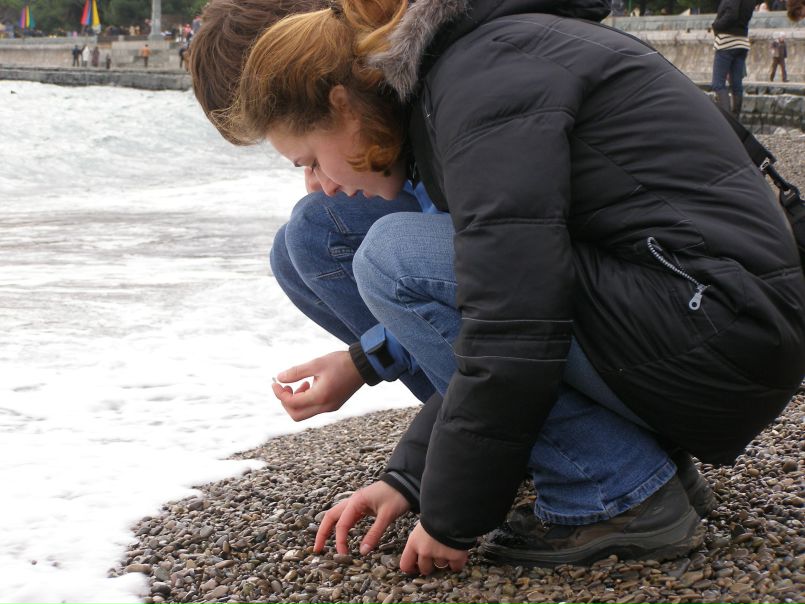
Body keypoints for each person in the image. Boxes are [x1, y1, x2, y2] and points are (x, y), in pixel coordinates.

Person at [218, 0, 804, 575]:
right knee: (384, 253)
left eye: (310, 161)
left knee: (391, 258)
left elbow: (513, 317)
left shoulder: (479, 83)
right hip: (719, 329)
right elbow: (504, 310)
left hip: (719, 338)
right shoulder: (481, 58)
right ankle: (630, 463)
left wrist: (451, 515)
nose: (316, 184)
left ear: (342, 104)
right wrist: (411, 475)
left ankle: (613, 490)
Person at [711, 0, 755, 117]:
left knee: (718, 84)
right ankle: (736, 120)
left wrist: (716, 25)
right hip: (742, 42)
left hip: (726, 42)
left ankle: (727, 120)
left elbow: (732, 14)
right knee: (736, 84)